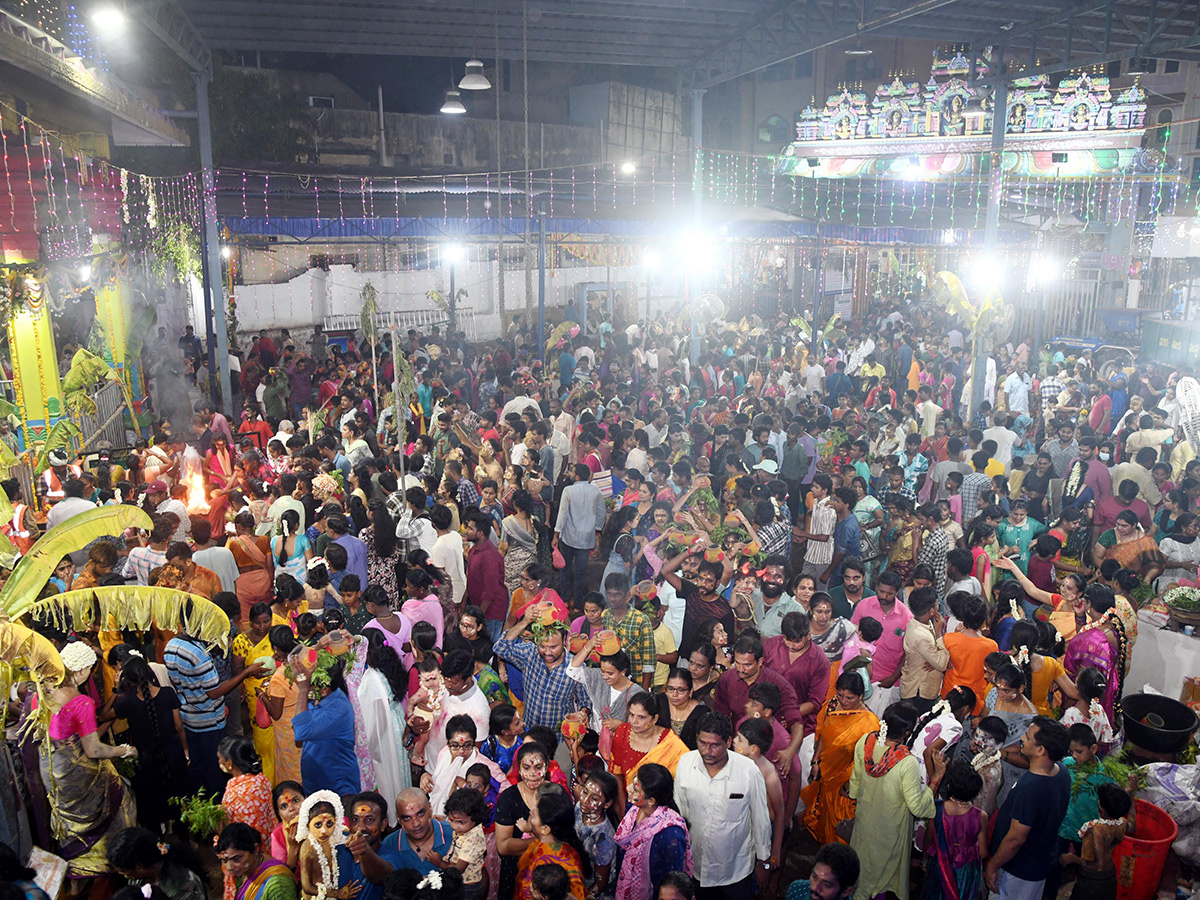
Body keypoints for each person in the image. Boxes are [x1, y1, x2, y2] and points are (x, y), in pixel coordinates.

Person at [36, 641, 138, 878]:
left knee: (69, 821)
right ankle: (111, 862)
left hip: (52, 768)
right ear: (81, 670)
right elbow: (94, 750)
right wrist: (124, 750)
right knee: (120, 799)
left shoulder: (40, 692)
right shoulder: (80, 701)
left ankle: (75, 873)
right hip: (79, 772)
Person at [848, 702, 943, 900]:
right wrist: (936, 779)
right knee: (884, 874)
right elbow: (917, 807)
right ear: (907, 732)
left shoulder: (866, 742)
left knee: (862, 867)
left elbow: (854, 785)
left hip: (865, 820)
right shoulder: (906, 761)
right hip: (890, 828)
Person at [673, 712, 772, 897]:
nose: (707, 751)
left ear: (728, 742)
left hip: (735, 871)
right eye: (702, 743)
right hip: (695, 866)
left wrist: (764, 861)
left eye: (715, 745)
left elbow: (760, 819)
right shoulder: (686, 763)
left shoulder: (748, 772)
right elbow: (680, 812)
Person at [984, 717, 1072, 900]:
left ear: (1040, 750)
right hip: (1039, 859)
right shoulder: (1061, 772)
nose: (1022, 738)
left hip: (1018, 868)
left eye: (1028, 737)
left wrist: (992, 866)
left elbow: (1016, 838)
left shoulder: (1031, 788)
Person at [105, 656, 189, 833]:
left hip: (147, 761)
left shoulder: (128, 703)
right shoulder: (167, 693)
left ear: (127, 680)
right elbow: (179, 727)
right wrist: (185, 750)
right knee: (178, 798)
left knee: (152, 804)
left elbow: (103, 716)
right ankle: (184, 837)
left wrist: (115, 689)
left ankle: (158, 843)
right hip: (173, 756)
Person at [800, 672, 878, 845]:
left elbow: (865, 759)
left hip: (844, 781)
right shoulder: (833, 704)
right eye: (840, 695)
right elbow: (824, 734)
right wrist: (815, 760)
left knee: (838, 821)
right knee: (822, 813)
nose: (844, 701)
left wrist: (850, 784)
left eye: (849, 697)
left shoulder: (869, 722)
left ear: (860, 696)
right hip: (824, 770)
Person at [613, 763, 693, 900]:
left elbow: (672, 883)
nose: (628, 789)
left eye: (637, 789)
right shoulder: (633, 809)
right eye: (633, 782)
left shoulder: (670, 835)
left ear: (651, 801)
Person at [290, 651, 360, 795]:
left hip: (337, 784)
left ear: (324, 690)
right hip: (316, 781)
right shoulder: (319, 698)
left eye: (310, 685)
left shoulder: (338, 708)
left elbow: (301, 732)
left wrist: (303, 689)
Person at [604, 693, 689, 810]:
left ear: (655, 719)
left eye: (641, 717)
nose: (634, 721)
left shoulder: (671, 744)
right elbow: (616, 774)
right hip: (626, 802)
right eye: (631, 715)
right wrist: (624, 810)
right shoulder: (623, 732)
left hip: (657, 809)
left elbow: (684, 782)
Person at [918, 761, 988, 900]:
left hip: (939, 865)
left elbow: (929, 838)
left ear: (949, 787)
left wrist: (925, 860)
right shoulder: (981, 816)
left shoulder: (938, 809)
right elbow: (983, 852)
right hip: (965, 871)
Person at [497, 742, 553, 900]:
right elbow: (503, 846)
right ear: (519, 769)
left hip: (549, 872)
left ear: (546, 767)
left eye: (538, 767)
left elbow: (565, 836)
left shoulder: (557, 795)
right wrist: (543, 840)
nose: (533, 774)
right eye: (526, 768)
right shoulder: (508, 798)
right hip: (515, 873)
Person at [515, 783, 589, 900]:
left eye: (535, 813)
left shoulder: (567, 863)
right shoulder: (561, 848)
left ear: (545, 829)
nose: (531, 812)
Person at [555, 463, 608, 606]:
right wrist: (596, 530)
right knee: (581, 572)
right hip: (586, 538)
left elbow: (562, 514)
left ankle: (565, 599)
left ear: (577, 476)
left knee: (564, 569)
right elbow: (602, 514)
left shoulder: (568, 490)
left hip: (568, 537)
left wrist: (556, 534)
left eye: (571, 472)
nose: (570, 474)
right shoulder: (595, 491)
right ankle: (578, 604)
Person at [106, 827, 208, 900]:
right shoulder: (140, 877)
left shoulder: (182, 887)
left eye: (124, 872)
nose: (124, 875)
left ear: (140, 867)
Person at [215, 822, 298, 900]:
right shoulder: (245, 872)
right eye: (224, 860)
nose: (229, 867)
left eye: (236, 859)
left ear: (255, 849)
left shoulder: (278, 885)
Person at [219, 736, 278, 844]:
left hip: (249, 848)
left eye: (220, 759)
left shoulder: (236, 794)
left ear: (229, 763)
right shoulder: (261, 778)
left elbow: (235, 831)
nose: (219, 762)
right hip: (269, 840)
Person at [657, 668, 711, 750]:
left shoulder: (702, 713)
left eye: (681, 690)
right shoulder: (659, 703)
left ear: (690, 692)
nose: (674, 694)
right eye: (670, 689)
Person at [784, 843, 859, 900]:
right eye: (814, 877)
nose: (815, 888)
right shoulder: (796, 891)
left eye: (826, 885)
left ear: (846, 891)